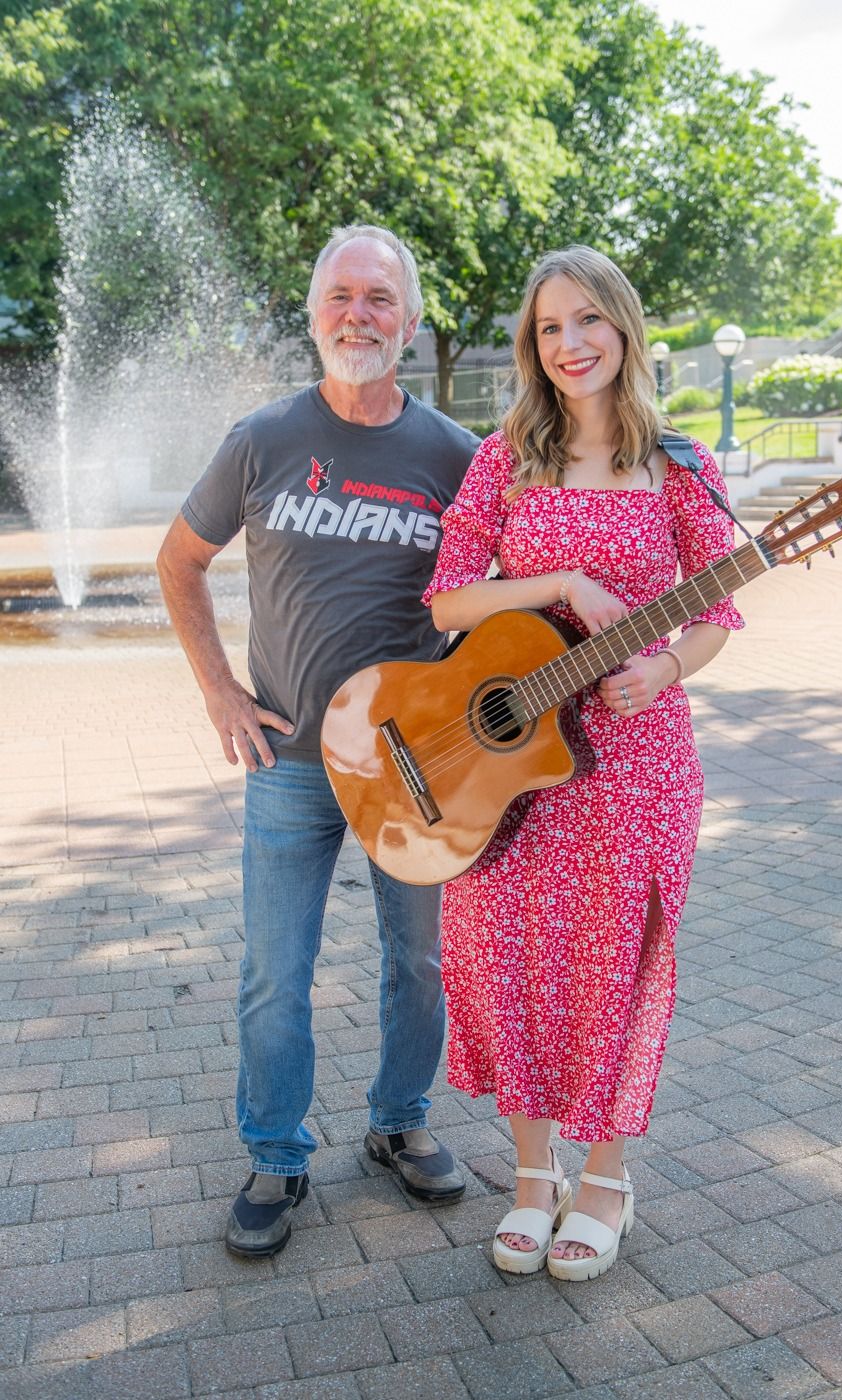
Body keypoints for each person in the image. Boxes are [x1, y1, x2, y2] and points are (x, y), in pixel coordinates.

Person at [423, 245, 744, 1282]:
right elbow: (448, 600)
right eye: (551, 327)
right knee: (501, 954)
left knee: (619, 959)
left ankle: (603, 1177)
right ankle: (530, 1174)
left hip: (639, 763)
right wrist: (553, 577)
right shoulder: (504, 455)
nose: (571, 344)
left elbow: (719, 606)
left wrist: (665, 668)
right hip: (507, 768)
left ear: (626, 328)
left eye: (589, 321)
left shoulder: (681, 464)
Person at [157, 224, 478, 1257]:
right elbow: (180, 560)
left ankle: (398, 1120)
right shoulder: (261, 438)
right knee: (273, 970)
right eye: (341, 296)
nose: (358, 314)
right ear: (312, 314)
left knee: (418, 962)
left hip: (415, 768)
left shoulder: (455, 457)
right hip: (289, 762)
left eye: (380, 299)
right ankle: (276, 1151)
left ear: (411, 319)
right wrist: (219, 691)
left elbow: (496, 609)